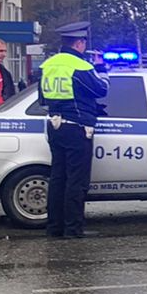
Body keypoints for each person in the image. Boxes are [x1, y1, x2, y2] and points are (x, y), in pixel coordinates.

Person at [39, 21, 109, 239]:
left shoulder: (48, 65)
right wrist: (101, 70)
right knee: (76, 181)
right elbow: (101, 89)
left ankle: (54, 227)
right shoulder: (80, 67)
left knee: (58, 178)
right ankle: (73, 229)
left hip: (55, 126)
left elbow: (42, 98)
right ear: (79, 43)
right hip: (77, 128)